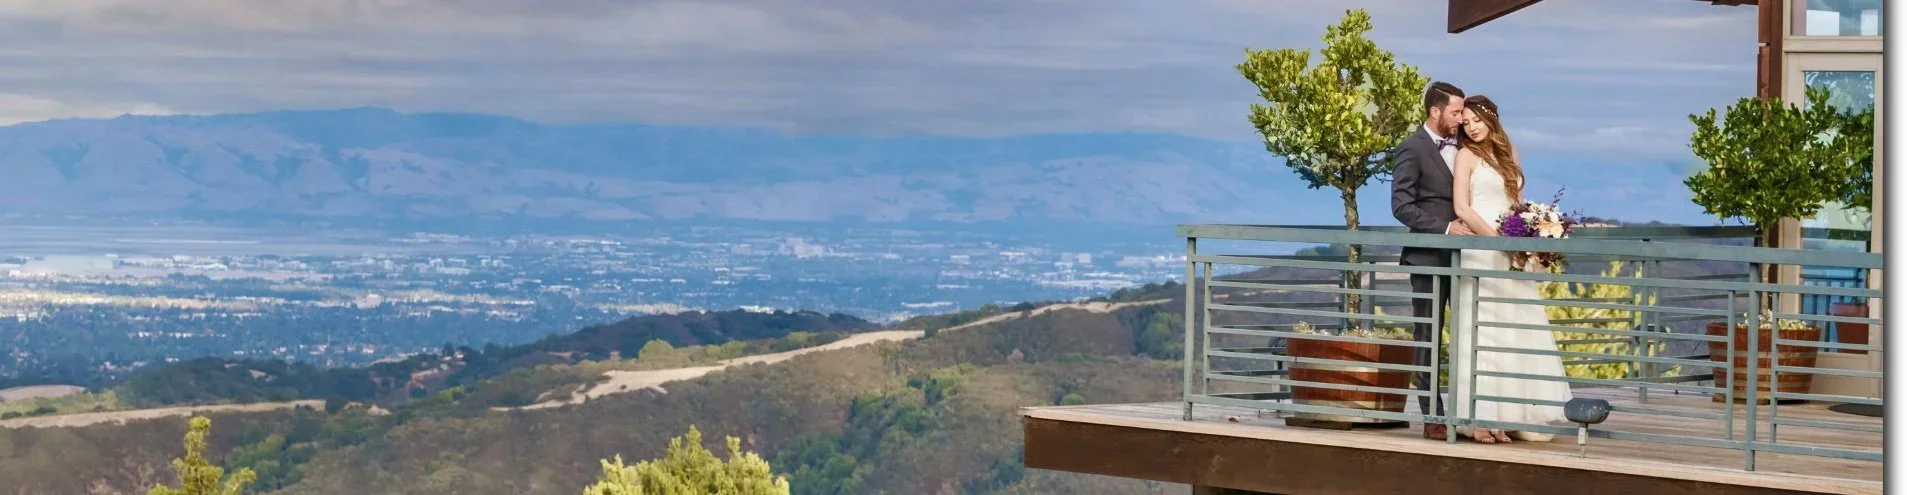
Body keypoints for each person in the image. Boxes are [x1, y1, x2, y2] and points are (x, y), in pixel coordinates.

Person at [1446, 95, 1573, 443]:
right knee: (1483, 332)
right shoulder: (1465, 155)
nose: (1470, 127)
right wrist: (1497, 242)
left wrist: (1529, 233)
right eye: (1465, 122)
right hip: (1482, 249)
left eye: (1476, 120)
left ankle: (1512, 413)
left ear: (1492, 119)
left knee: (1513, 326)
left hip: (1510, 247)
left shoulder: (1508, 151)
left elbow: (1516, 203)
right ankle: (1479, 418)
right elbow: (1463, 207)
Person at [1390, 81, 1470, 440]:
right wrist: (1446, 229)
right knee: (1429, 336)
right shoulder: (1411, 148)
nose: (1461, 118)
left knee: (1470, 333)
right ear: (1435, 112)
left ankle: (1470, 412)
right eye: (1455, 112)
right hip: (1427, 257)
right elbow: (1401, 206)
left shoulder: (1467, 144)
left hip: (1469, 258)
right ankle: (1433, 416)